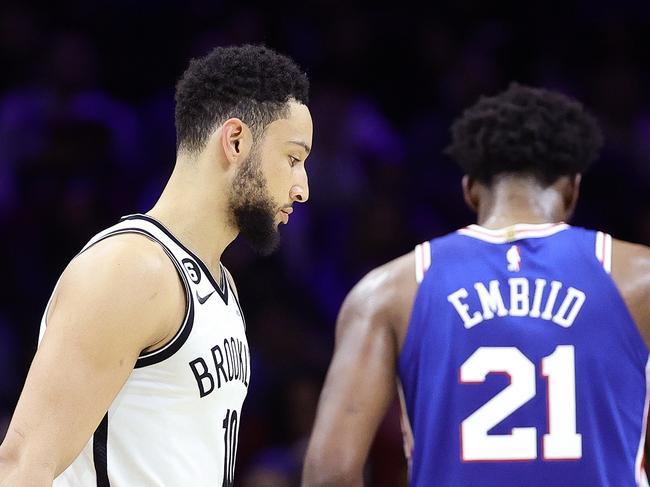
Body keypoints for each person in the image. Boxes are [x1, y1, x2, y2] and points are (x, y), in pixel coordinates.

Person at [302, 83, 650, 486]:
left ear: (469, 189)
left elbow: (330, 473)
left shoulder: (387, 291)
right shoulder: (637, 277)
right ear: (572, 189)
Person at [0, 44, 313, 486]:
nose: (302, 189)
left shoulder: (220, 283)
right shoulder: (131, 270)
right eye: (294, 159)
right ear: (236, 140)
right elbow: (21, 464)